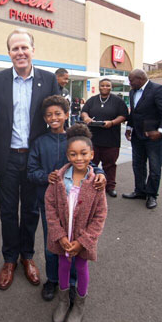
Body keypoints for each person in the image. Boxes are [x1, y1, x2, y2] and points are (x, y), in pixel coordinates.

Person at [0, 28, 60, 290]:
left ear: (33, 50)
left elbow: (58, 117)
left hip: (35, 160)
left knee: (30, 211)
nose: (20, 52)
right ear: (9, 53)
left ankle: (27, 256)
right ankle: (9, 259)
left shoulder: (49, 80)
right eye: (15, 48)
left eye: (24, 47)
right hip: (6, 158)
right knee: (7, 212)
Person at [27, 96, 106, 302]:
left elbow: (89, 162)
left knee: (75, 243)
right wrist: (46, 177)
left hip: (78, 205)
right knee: (53, 242)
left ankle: (71, 283)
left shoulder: (74, 138)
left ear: (66, 114)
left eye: (58, 113)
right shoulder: (40, 142)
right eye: (49, 115)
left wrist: (101, 173)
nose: (54, 118)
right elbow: (31, 171)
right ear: (44, 118)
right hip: (51, 204)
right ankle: (53, 279)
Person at [45, 124, 107, 322]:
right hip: (63, 238)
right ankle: (63, 301)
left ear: (92, 154)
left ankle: (79, 305)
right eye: (73, 154)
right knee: (62, 265)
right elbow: (50, 208)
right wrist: (59, 235)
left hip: (82, 240)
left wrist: (84, 241)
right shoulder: (58, 179)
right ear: (67, 155)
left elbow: (100, 215)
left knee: (81, 267)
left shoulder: (96, 183)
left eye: (83, 153)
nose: (78, 158)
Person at [122, 69, 162, 209]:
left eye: (131, 80)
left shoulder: (158, 89)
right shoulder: (133, 92)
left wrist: (161, 132)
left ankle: (151, 195)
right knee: (138, 165)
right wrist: (129, 127)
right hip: (137, 136)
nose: (129, 83)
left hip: (154, 136)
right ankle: (140, 191)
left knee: (155, 167)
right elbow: (134, 112)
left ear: (140, 79)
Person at [81, 79, 129, 197]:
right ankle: (91, 184)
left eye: (108, 85)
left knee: (110, 164)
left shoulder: (118, 101)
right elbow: (84, 112)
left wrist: (112, 122)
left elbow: (123, 116)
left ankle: (110, 186)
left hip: (111, 139)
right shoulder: (92, 100)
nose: (105, 87)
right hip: (93, 139)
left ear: (111, 87)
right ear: (99, 87)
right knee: (91, 163)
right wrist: (86, 118)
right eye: (102, 85)